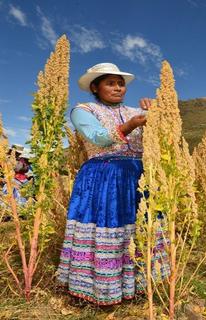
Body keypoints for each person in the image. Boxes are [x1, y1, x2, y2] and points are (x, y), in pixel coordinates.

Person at [57, 63, 169, 305]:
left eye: (121, 84)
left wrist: (158, 111)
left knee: (141, 227)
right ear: (95, 87)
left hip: (139, 177)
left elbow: (165, 135)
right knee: (108, 228)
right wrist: (133, 124)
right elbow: (99, 138)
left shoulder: (134, 110)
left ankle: (140, 286)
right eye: (111, 83)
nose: (118, 88)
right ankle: (101, 289)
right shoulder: (83, 110)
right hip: (104, 177)